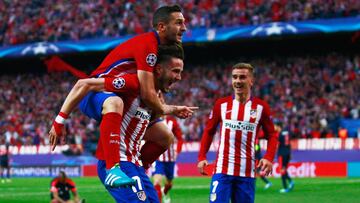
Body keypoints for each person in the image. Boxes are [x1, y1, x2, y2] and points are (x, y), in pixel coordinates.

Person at [48, 4, 192, 188]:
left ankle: (139, 167)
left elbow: (149, 91)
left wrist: (160, 105)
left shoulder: (156, 52)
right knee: (115, 102)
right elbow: (146, 93)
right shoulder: (148, 45)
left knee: (165, 136)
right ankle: (113, 169)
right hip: (97, 93)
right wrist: (59, 121)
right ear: (162, 27)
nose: (184, 28)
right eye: (179, 23)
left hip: (120, 95)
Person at [94, 44, 186, 202]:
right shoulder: (132, 86)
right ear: (158, 70)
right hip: (118, 162)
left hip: (135, 162)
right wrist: (60, 120)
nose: (179, 77)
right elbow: (86, 84)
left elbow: (168, 136)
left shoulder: (152, 100)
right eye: (175, 71)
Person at [197, 63, 278, 203]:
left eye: (242, 77)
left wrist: (269, 157)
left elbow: (272, 135)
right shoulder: (221, 105)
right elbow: (209, 131)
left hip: (246, 173)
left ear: (251, 81)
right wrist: (202, 156)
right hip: (222, 170)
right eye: (235, 77)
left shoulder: (261, 107)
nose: (238, 81)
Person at [152, 95, 184, 203]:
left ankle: (164, 192)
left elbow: (180, 138)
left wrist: (177, 151)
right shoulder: (153, 119)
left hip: (170, 158)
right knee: (156, 181)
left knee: (169, 183)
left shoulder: (172, 122)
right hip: (158, 158)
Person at [276, 122, 294, 193]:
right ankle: (291, 181)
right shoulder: (286, 133)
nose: (274, 128)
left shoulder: (279, 134)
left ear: (278, 126)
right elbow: (289, 143)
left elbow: (277, 145)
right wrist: (290, 153)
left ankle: (285, 188)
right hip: (287, 153)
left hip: (282, 154)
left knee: (282, 171)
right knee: (284, 169)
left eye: (275, 126)